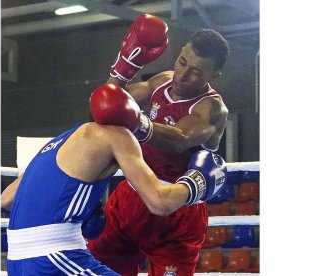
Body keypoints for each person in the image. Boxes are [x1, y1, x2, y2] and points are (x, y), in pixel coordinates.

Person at [0, 83, 227, 276]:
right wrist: (196, 183)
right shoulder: (118, 136)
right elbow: (160, 202)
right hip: (56, 256)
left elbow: (6, 199)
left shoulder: (65, 139)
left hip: (17, 260)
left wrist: (79, 208)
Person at [87, 14, 230, 276]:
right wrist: (123, 67)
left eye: (196, 71)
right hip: (132, 194)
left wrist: (136, 122)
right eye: (182, 61)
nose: (183, 74)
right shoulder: (161, 80)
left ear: (214, 75)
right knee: (97, 271)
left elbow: (180, 139)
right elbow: (107, 103)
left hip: (176, 211)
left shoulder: (212, 108)